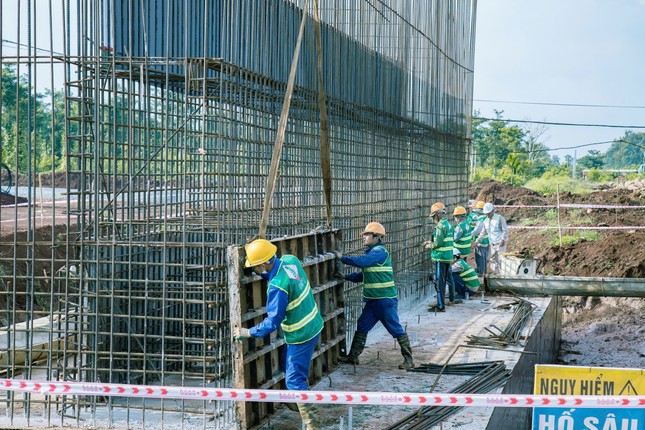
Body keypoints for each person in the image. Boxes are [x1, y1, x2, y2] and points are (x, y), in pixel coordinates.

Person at [236, 239, 323, 429]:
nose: (255, 270)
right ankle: (296, 400)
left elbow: (272, 322)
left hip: (301, 335)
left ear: (261, 263)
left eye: (255, 267)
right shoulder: (290, 260)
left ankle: (313, 424)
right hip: (314, 323)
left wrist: (248, 332)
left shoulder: (277, 287)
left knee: (294, 379)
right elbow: (286, 276)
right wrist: (266, 273)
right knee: (287, 363)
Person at [335, 222, 414, 370]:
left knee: (395, 329)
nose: (364, 237)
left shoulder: (379, 252)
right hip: (373, 301)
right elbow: (364, 275)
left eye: (367, 235)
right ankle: (353, 357)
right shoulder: (372, 254)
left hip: (385, 300)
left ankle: (409, 360)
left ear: (376, 237)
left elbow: (362, 263)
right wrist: (345, 277)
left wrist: (342, 258)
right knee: (362, 325)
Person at [423, 203, 461, 313]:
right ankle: (442, 302)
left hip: (440, 258)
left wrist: (429, 245)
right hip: (447, 257)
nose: (433, 220)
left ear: (437, 215)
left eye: (433, 218)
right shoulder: (449, 225)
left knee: (439, 283)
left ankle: (440, 306)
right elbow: (444, 240)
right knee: (444, 281)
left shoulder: (440, 226)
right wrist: (431, 241)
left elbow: (438, 243)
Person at [474, 203, 508, 275]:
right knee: (493, 259)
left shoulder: (499, 218)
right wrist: (477, 242)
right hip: (492, 243)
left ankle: (502, 274)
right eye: (486, 213)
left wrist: (503, 239)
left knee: (500, 259)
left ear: (493, 211)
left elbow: (505, 230)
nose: (488, 215)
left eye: (489, 213)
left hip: (500, 243)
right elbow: (483, 233)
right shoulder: (486, 221)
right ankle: (495, 273)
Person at [471, 200, 489, 276]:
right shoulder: (487, 217)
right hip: (486, 241)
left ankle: (480, 271)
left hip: (480, 242)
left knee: (479, 257)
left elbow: (477, 231)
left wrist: (470, 235)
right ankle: (483, 270)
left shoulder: (481, 219)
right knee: (484, 257)